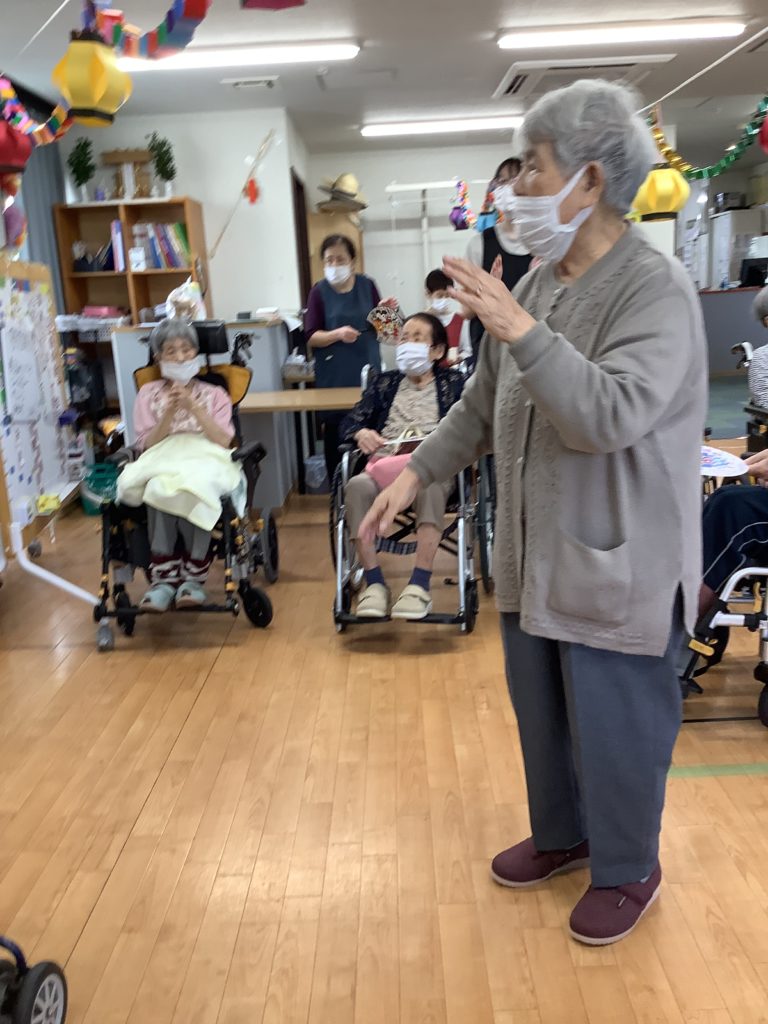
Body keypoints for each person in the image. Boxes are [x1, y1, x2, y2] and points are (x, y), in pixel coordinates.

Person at [359, 79, 708, 946]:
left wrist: (522, 330)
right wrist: (415, 473)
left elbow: (607, 416)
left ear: (590, 180)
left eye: (533, 169)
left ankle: (629, 866)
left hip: (618, 559)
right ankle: (564, 834)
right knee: (544, 713)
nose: (514, 189)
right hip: (534, 550)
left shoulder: (654, 288)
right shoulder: (540, 282)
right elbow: (482, 403)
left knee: (617, 725)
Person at [341, 313, 463, 620]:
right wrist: (361, 432)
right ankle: (374, 584)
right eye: (404, 338)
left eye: (417, 338)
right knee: (356, 486)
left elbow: (469, 430)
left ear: (437, 350)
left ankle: (419, 585)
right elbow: (351, 421)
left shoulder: (454, 383)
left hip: (433, 467)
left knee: (430, 486)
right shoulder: (384, 383)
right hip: (385, 464)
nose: (407, 343)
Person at [128, 319, 235, 612]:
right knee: (157, 486)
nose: (180, 357)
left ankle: (193, 580)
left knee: (197, 486)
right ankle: (163, 581)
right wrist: (170, 411)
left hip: (205, 457)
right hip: (163, 456)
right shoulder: (148, 394)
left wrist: (193, 407)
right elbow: (147, 444)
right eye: (171, 351)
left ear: (196, 353)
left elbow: (223, 440)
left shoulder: (216, 394)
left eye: (186, 349)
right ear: (158, 358)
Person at [304, 234, 392, 482]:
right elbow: (311, 336)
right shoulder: (318, 292)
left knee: (370, 437)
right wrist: (337, 334)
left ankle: (369, 488)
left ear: (352, 261)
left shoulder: (367, 285)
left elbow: (386, 332)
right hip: (334, 377)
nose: (334, 265)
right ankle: (339, 493)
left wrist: (387, 311)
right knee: (337, 439)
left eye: (340, 259)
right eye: (329, 260)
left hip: (367, 373)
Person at [465, 157, 533, 365]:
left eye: (514, 180)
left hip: (531, 347)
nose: (508, 187)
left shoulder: (543, 244)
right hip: (490, 352)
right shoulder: (481, 243)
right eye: (502, 182)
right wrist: (487, 289)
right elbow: (466, 311)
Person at [424, 269, 471, 365]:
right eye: (440, 296)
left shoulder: (460, 320)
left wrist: (459, 357)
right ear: (428, 294)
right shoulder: (422, 321)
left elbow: (467, 351)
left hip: (452, 370)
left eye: (447, 296)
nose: (444, 299)